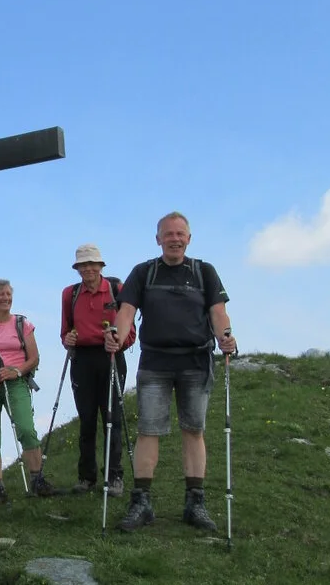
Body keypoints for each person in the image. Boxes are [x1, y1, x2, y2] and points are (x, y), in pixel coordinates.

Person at [107, 211, 236, 532]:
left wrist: (225, 337)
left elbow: (218, 311)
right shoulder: (144, 272)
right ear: (158, 239)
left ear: (189, 239)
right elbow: (126, 312)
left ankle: (195, 503)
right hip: (155, 362)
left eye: (180, 234)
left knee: (193, 430)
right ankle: (142, 503)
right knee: (149, 430)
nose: (174, 239)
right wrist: (117, 337)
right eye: (168, 234)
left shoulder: (204, 272)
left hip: (195, 361)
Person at [60, 243, 136, 497]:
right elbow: (65, 331)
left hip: (112, 356)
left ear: (101, 266)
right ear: (78, 269)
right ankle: (86, 477)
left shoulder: (116, 290)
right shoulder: (69, 294)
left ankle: (114, 476)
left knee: (112, 418)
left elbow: (131, 332)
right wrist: (67, 340)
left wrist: (118, 342)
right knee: (87, 420)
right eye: (83, 265)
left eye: (92, 264)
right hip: (82, 359)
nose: (88, 269)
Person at [0, 279, 59, 501]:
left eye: (8, 294)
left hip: (16, 380)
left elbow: (34, 358)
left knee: (25, 428)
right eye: (0, 294)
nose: (5, 298)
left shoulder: (22, 324)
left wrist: (17, 372)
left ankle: (37, 479)